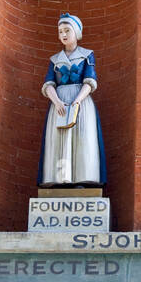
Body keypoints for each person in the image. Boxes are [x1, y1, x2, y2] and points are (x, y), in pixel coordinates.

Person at [38, 13, 106, 187]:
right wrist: (57, 102)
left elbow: (90, 81)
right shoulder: (54, 59)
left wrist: (77, 100)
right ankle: (59, 178)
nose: (63, 35)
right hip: (59, 103)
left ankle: (82, 178)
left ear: (77, 32)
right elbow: (48, 84)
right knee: (59, 139)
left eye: (67, 30)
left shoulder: (87, 55)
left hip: (81, 102)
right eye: (60, 31)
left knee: (82, 138)